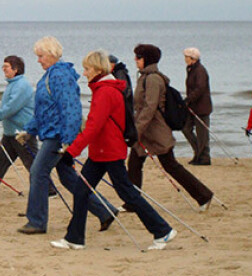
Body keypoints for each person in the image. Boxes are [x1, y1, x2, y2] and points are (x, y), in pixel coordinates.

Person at [51, 50, 176, 251]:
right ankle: (74, 238)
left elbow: (93, 126)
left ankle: (162, 230)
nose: (84, 74)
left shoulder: (105, 91)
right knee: (82, 191)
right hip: (100, 152)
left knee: (127, 193)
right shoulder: (103, 89)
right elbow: (96, 127)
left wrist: (71, 152)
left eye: (87, 69)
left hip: (109, 151)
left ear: (98, 70)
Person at [16, 36, 117, 234]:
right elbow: (45, 109)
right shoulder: (50, 75)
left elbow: (71, 109)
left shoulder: (60, 76)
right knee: (68, 178)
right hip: (52, 133)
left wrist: (68, 140)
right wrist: (29, 129)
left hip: (57, 136)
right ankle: (105, 211)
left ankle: (36, 221)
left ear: (52, 55)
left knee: (38, 172)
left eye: (41, 56)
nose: (38, 60)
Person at [126, 44, 213, 211]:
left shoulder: (152, 79)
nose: (135, 60)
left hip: (156, 131)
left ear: (147, 59)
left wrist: (135, 131)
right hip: (146, 132)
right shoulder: (144, 76)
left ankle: (204, 195)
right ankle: (132, 201)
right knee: (135, 164)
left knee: (171, 165)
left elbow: (150, 108)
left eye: (138, 57)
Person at [0, 55, 38, 197]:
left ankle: (49, 190)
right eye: (3, 66)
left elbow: (12, 107)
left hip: (22, 132)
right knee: (1, 159)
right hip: (10, 132)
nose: (3, 69)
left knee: (32, 163)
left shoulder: (22, 85)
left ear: (16, 69)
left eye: (6, 67)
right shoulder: (12, 84)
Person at [182, 47, 212, 165]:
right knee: (186, 128)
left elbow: (200, 88)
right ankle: (198, 152)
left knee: (202, 134)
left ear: (192, 58)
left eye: (186, 57)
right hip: (192, 106)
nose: (185, 59)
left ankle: (204, 157)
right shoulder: (191, 69)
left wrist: (188, 99)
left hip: (202, 107)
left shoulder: (200, 70)